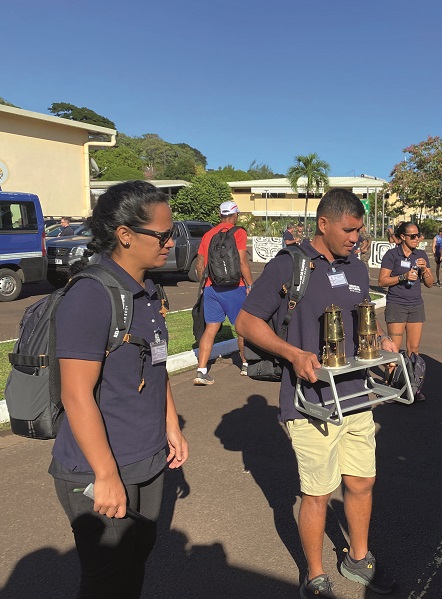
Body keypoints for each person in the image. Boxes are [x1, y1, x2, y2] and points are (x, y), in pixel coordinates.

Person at [235, 188, 398, 599]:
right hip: (311, 404)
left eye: (360, 230)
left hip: (358, 398)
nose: (357, 237)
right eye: (349, 229)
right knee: (318, 493)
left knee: (362, 482)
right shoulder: (290, 266)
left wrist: (381, 345)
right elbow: (247, 322)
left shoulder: (357, 268)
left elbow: (362, 321)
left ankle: (358, 559)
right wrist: (292, 354)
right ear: (323, 224)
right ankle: (314, 575)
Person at [50, 180, 189, 598]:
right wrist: (106, 474)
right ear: (125, 235)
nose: (170, 243)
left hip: (146, 459)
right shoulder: (92, 295)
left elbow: (156, 365)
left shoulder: (147, 291)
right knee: (106, 580)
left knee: (134, 565)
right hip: (101, 467)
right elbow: (76, 394)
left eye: (172, 232)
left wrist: (172, 425)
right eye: (162, 235)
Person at [193, 200, 254, 384]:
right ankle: (245, 364)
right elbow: (242, 261)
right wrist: (250, 285)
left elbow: (200, 264)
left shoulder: (209, 234)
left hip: (212, 287)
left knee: (211, 328)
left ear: (220, 215)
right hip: (235, 287)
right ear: (235, 215)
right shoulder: (239, 232)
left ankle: (201, 371)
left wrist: (204, 284)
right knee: (242, 327)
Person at [378, 221, 433, 359]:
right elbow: (382, 281)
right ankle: (390, 379)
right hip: (397, 304)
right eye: (412, 236)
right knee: (393, 349)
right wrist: (403, 276)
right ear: (403, 237)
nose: (417, 239)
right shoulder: (392, 255)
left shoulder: (421, 255)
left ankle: (411, 379)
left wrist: (425, 269)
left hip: (416, 305)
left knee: (413, 349)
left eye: (418, 235)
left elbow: (430, 284)